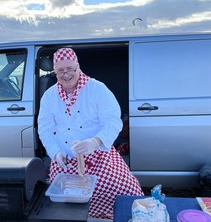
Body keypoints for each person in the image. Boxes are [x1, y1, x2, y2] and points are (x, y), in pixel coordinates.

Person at [38, 47, 144, 219]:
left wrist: (95, 142)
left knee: (129, 192)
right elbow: (45, 128)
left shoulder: (97, 89)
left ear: (78, 67)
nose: (66, 75)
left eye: (70, 69)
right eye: (60, 71)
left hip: (99, 157)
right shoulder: (49, 96)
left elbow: (113, 120)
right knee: (64, 208)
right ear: (55, 72)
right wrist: (55, 153)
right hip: (65, 160)